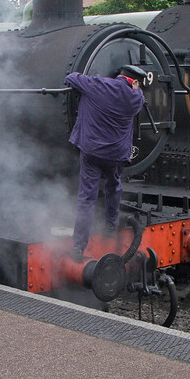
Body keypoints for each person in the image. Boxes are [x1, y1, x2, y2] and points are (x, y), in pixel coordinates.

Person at [65, 66, 146, 259]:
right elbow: (139, 95)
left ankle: (78, 246)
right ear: (134, 82)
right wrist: (135, 88)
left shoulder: (97, 85)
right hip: (116, 155)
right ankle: (111, 226)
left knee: (87, 198)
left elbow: (71, 78)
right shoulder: (136, 99)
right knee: (114, 186)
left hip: (92, 152)